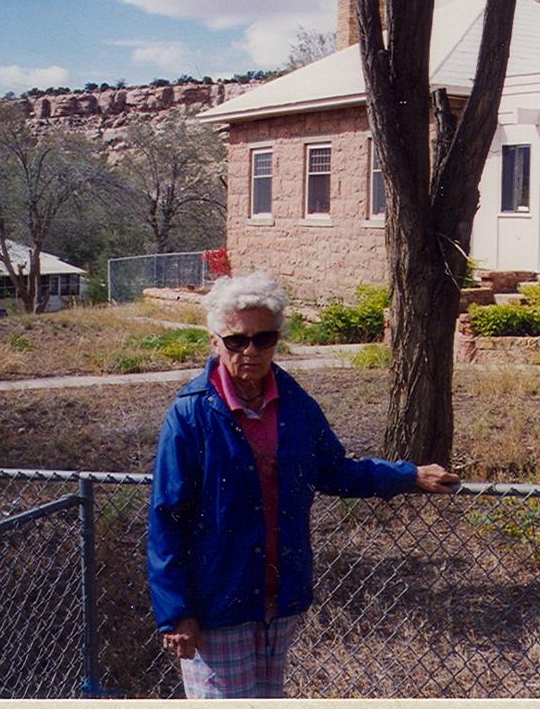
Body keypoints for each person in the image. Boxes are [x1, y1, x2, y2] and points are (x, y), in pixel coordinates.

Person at [147, 271, 458, 698]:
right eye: (236, 341)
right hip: (217, 603)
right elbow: (167, 518)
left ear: (277, 340)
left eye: (264, 339)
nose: (251, 351)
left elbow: (336, 471)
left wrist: (410, 475)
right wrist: (177, 612)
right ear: (215, 341)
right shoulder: (190, 415)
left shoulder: (294, 405)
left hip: (277, 602)